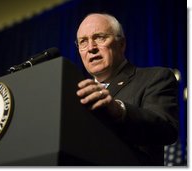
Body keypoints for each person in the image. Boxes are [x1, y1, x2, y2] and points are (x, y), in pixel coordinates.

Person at [75, 13, 179, 166]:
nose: (91, 48)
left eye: (100, 38)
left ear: (121, 44)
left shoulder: (155, 78)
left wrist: (119, 110)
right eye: (83, 41)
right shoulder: (78, 95)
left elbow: (167, 129)